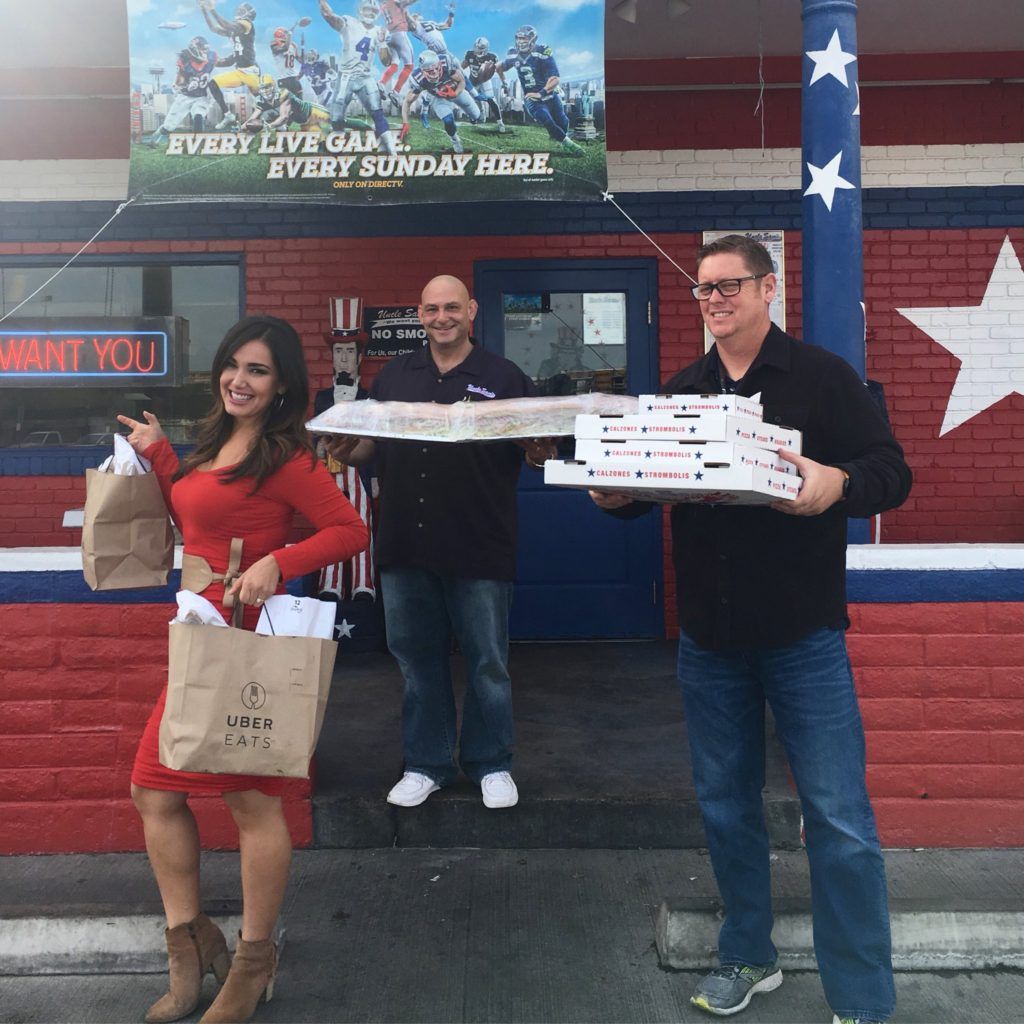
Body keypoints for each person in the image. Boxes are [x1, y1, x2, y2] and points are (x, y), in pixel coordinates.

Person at [591, 235, 911, 1024]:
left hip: (804, 636)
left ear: (770, 290)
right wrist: (612, 493)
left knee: (838, 818)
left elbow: (891, 472)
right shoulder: (683, 392)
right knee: (726, 808)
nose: (715, 300)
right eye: (704, 289)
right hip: (709, 640)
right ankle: (749, 957)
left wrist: (838, 482)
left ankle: (863, 1000)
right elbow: (652, 485)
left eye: (730, 285)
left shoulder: (822, 379)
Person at [117, 315, 369, 1024]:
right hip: (196, 638)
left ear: (283, 383)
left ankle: (254, 961)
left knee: (250, 804)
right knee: (154, 791)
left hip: (244, 644)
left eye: (258, 370)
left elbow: (351, 531)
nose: (240, 379)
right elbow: (194, 514)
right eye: (234, 365)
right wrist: (162, 455)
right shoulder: (211, 441)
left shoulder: (289, 458)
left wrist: (276, 561)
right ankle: (192, 946)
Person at [329, 275, 554, 810]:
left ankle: (491, 763)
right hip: (405, 542)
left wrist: (540, 447)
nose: (442, 317)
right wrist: (343, 447)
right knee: (416, 661)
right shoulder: (394, 375)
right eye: (432, 309)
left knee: (487, 662)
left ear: (471, 310)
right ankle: (426, 764)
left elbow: (538, 453)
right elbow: (368, 449)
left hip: (481, 542)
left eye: (452, 307)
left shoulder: (503, 376)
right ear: (420, 314)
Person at [314, 334, 377, 601]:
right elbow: (315, 435)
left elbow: (376, 438)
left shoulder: (368, 397)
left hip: (358, 470)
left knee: (362, 524)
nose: (343, 358)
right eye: (338, 351)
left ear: (359, 358)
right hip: (330, 470)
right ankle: (331, 583)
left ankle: (364, 583)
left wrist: (374, 476)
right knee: (330, 526)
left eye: (349, 352)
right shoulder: (323, 397)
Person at [498, 24, 584, 157]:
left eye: (524, 39)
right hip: (531, 98)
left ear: (532, 39)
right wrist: (503, 81)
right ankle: (569, 144)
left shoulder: (542, 51)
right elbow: (500, 67)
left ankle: (558, 135)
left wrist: (541, 93)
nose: (521, 42)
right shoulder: (513, 54)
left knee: (563, 121)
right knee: (546, 118)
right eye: (519, 38)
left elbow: (555, 79)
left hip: (549, 93)